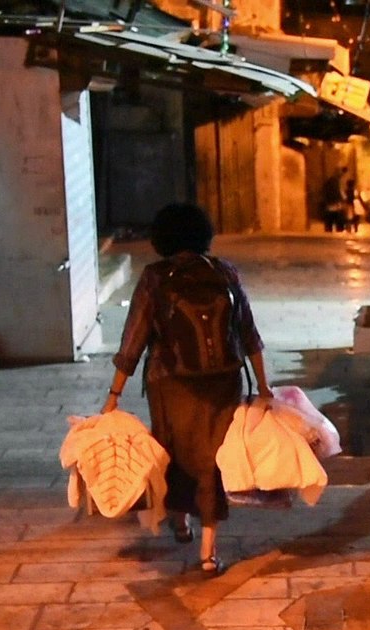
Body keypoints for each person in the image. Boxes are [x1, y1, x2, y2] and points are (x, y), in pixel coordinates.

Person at [103, 203, 274, 578]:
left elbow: (133, 340)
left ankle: (179, 521)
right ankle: (209, 552)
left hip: (171, 383)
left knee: (173, 451)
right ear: (203, 234)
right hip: (221, 382)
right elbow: (249, 335)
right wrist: (263, 386)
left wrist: (114, 395)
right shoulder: (224, 272)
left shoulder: (155, 277)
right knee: (210, 461)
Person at [321, 168, 347, 233]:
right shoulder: (336, 181)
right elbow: (339, 193)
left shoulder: (331, 181)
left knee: (329, 225)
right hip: (336, 206)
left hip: (331, 206)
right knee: (339, 225)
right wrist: (342, 200)